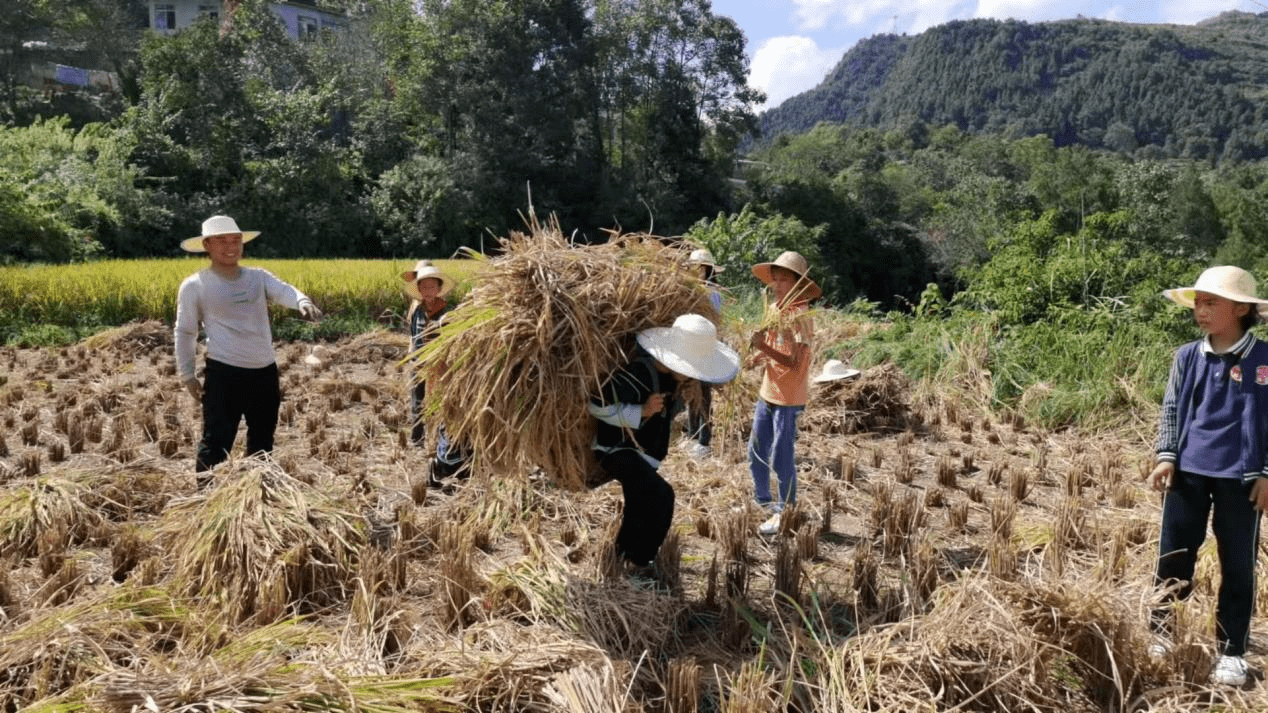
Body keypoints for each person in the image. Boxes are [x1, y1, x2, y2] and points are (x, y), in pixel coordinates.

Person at [1149, 265, 1268, 687]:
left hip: (1242, 479)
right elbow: (1171, 409)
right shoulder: (1186, 356)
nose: (1201, 310)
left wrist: (1266, 474)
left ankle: (1232, 650)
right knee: (1173, 555)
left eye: (1211, 302)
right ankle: (1161, 632)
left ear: (1239, 308)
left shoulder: (1264, 360)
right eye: (1198, 302)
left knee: (1238, 565)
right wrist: (1166, 456)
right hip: (1188, 474)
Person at [175, 215, 322, 484]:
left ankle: (256, 496)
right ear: (207, 245)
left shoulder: (257, 277)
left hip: (264, 372)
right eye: (222, 241)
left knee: (263, 441)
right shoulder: (195, 285)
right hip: (224, 374)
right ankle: (204, 499)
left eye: (236, 240)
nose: (231, 246)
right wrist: (186, 375)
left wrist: (301, 300)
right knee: (216, 441)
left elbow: (284, 291)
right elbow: (185, 331)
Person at [591, 313, 739, 575]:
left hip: (641, 455)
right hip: (618, 450)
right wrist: (641, 412)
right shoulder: (638, 374)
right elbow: (595, 403)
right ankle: (639, 563)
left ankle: (622, 561)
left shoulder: (673, 379)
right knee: (661, 497)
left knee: (639, 506)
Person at [746, 251, 819, 536]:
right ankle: (763, 501)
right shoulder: (776, 308)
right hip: (768, 390)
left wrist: (763, 348)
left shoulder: (802, 317)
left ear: (798, 284)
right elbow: (775, 353)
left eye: (783, 280)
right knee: (755, 450)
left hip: (789, 397)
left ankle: (785, 511)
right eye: (775, 280)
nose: (776, 285)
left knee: (781, 455)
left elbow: (794, 362)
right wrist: (758, 358)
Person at [401, 260, 470, 487]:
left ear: (439, 290)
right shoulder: (417, 310)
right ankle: (417, 438)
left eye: (432, 287)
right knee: (417, 400)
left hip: (439, 368)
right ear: (419, 290)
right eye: (424, 287)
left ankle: (443, 450)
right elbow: (414, 337)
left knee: (440, 406)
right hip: (419, 363)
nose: (428, 291)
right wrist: (412, 357)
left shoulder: (447, 312)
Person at [683, 248, 725, 459]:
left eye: (698, 267)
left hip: (707, 346)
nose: (694, 271)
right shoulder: (690, 289)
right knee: (691, 391)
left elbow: (713, 321)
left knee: (704, 394)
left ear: (706, 269)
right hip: (691, 346)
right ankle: (692, 435)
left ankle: (704, 441)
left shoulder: (712, 292)